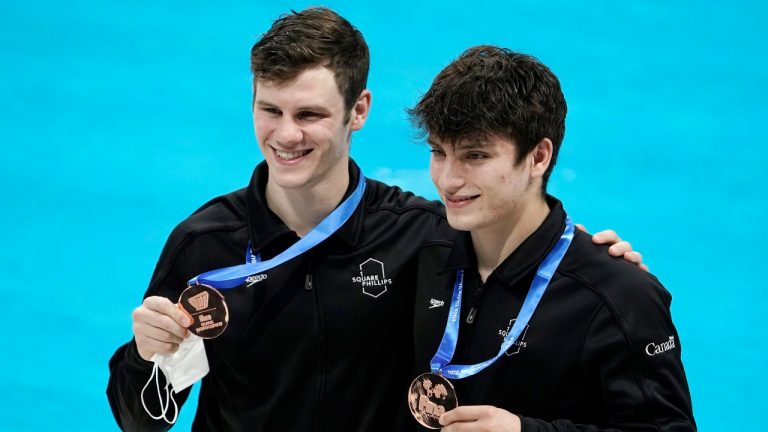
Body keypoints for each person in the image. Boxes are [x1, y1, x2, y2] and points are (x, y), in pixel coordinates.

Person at [106, 8, 643, 432]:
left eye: (310, 115)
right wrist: (145, 357)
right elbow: (141, 421)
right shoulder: (204, 245)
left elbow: (527, 256)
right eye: (271, 110)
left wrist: (603, 266)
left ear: (358, 111)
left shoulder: (427, 236)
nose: (286, 135)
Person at [405, 46, 696, 431]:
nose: (448, 179)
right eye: (439, 152)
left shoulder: (618, 296)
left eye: (475, 156)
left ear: (538, 157)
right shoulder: (420, 247)